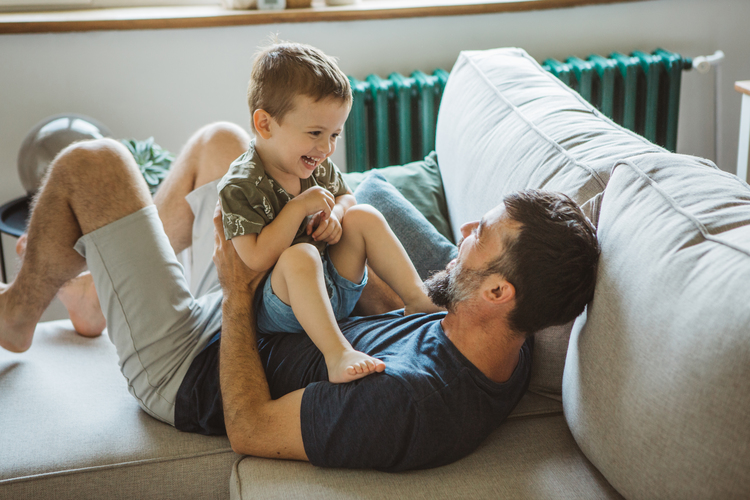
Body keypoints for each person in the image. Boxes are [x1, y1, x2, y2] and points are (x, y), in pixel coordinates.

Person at [0, 121, 599, 471]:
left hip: (192, 365)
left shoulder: (411, 398)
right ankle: (97, 299)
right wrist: (325, 230)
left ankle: (17, 316)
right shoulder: (494, 330)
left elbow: (252, 430)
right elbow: (382, 256)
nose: (464, 231)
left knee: (94, 163)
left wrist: (237, 296)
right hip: (267, 312)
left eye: (481, 234)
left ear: (498, 290)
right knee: (227, 146)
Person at [218, 42, 440, 383]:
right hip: (282, 306)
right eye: (315, 134)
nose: (326, 148)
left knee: (362, 214)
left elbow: (347, 198)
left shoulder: (315, 164)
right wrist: (297, 209)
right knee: (300, 255)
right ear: (265, 124)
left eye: (334, 134)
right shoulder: (240, 184)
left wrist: (336, 215)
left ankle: (418, 300)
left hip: (334, 285)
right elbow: (255, 259)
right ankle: (338, 354)